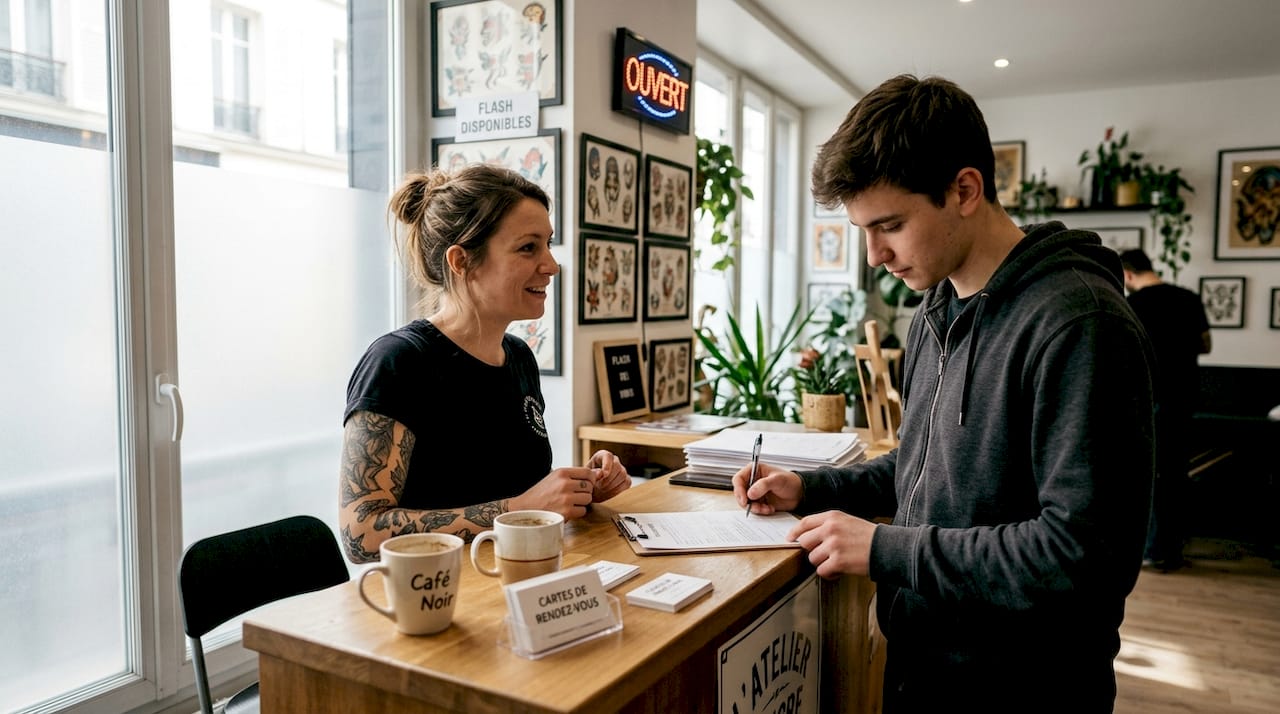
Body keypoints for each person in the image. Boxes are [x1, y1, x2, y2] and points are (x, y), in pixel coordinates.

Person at [734, 75, 1156, 712]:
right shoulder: (937, 307)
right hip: (923, 669)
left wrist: (885, 548)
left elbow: (1081, 558)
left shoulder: (1080, 323)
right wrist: (814, 486)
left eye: (891, 225)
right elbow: (926, 468)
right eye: (862, 230)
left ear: (965, 189)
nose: (875, 255)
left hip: (1026, 688)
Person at [339, 164, 631, 564]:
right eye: (529, 247)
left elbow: (509, 490)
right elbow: (360, 533)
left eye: (548, 244)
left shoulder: (520, 358)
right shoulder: (398, 363)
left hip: (518, 581)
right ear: (461, 261)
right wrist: (518, 511)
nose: (551, 265)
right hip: (437, 601)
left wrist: (577, 490)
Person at [1119, 248, 1212, 571]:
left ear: (1128, 274)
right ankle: (1172, 548)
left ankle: (1151, 549)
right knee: (1176, 474)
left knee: (1148, 476)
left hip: (1147, 400)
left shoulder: (1132, 306)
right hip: (1185, 398)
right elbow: (1206, 344)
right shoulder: (1188, 298)